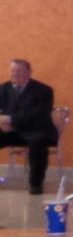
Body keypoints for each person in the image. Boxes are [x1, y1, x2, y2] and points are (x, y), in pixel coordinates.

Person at [0, 59, 59, 194]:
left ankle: (35, 184)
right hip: (11, 131)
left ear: (29, 72)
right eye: (13, 71)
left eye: (19, 71)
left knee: (38, 142)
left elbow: (38, 114)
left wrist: (10, 119)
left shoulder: (43, 90)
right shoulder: (2, 89)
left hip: (37, 129)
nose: (15, 74)